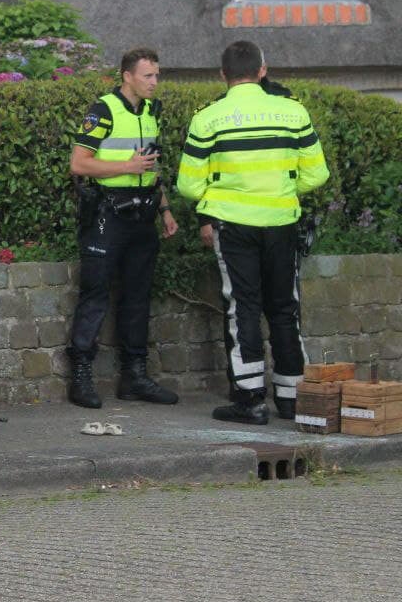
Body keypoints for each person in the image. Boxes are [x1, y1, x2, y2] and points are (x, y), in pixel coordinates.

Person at [176, 40, 329, 424]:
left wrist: (223, 194)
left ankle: (249, 400)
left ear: (223, 75)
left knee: (241, 307)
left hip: (233, 225)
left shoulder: (208, 118)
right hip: (281, 224)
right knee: (284, 308)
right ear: (263, 70)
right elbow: (317, 174)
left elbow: (189, 187)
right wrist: (279, 188)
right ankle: (292, 398)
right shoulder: (293, 112)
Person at [67, 47, 180, 409]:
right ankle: (81, 377)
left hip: (143, 215)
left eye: (157, 75)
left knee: (137, 297)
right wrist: (125, 169)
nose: (154, 82)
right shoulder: (103, 110)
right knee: (95, 295)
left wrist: (165, 210)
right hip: (107, 215)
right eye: (148, 76)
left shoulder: (151, 112)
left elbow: (149, 164)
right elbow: (79, 164)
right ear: (127, 76)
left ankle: (135, 377)